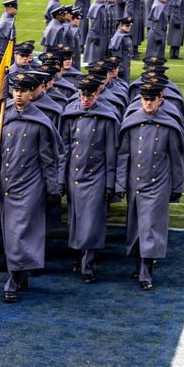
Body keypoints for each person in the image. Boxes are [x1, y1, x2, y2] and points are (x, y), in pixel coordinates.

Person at [0, 72, 60, 303]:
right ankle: (21, 275)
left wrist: (52, 188)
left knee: (20, 234)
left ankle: (12, 281)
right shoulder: (2, 119)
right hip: (6, 185)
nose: (18, 94)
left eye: (23, 91)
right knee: (12, 234)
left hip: (30, 187)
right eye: (15, 90)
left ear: (31, 94)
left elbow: (48, 160)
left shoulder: (40, 121)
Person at [114, 80, 184, 291]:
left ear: (160, 100)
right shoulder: (131, 123)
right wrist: (120, 183)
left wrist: (177, 186)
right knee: (136, 227)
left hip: (158, 184)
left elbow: (176, 159)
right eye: (144, 99)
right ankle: (140, 265)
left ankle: (146, 273)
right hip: (135, 184)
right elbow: (123, 157)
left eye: (151, 100)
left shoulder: (169, 125)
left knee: (150, 228)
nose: (147, 103)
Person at [58, 75, 119, 283]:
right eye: (83, 95)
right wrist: (61, 179)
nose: (85, 99)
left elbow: (111, 154)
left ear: (98, 94)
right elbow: (64, 150)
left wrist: (111, 183)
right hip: (75, 176)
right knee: (75, 221)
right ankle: (78, 257)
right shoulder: (70, 115)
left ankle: (88, 265)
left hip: (97, 177)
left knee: (92, 222)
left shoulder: (107, 118)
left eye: (90, 95)